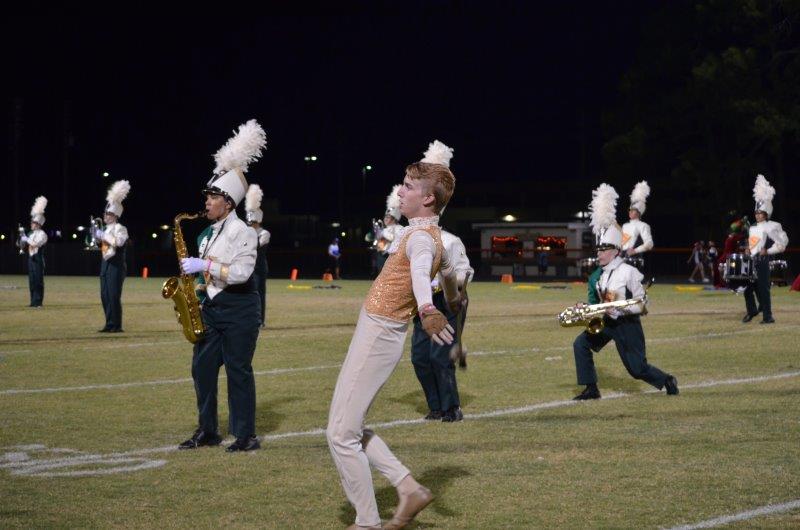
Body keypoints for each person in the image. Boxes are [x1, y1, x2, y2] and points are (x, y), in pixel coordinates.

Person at [327, 140, 461, 530]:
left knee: (340, 434)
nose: (399, 191)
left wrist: (428, 308)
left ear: (428, 198)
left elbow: (421, 274)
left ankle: (367, 522)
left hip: (380, 333)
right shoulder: (428, 234)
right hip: (377, 330)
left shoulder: (420, 238)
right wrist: (453, 297)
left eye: (408, 186)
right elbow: (447, 273)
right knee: (347, 426)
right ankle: (408, 488)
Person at [178, 119, 266, 452]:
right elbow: (210, 276)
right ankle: (208, 430)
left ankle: (245, 436)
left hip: (240, 308)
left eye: (212, 197)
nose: (207, 202)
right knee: (201, 368)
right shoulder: (208, 233)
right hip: (212, 308)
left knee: (238, 371)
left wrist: (205, 266)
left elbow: (241, 273)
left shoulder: (243, 232)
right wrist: (195, 287)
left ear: (228, 203)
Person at [572, 183, 678, 401]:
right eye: (598, 250)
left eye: (603, 250)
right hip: (607, 323)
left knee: (637, 369)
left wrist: (620, 309)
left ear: (614, 251)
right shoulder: (600, 277)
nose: (598, 254)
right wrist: (586, 309)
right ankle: (591, 389)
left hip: (627, 326)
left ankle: (667, 380)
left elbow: (643, 304)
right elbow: (602, 303)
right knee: (581, 343)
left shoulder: (629, 272)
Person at [411, 228, 472, 422]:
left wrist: (449, 284)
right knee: (420, 357)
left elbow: (464, 272)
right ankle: (435, 407)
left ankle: (452, 407)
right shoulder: (409, 240)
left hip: (448, 299)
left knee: (440, 356)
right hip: (423, 300)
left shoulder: (450, 240)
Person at [742, 174, 789, 324]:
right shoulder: (753, 227)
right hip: (752, 260)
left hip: (763, 261)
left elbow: (782, 243)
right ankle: (752, 311)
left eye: (760, 213)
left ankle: (768, 317)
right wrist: (748, 249)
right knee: (747, 287)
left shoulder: (773, 226)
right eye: (756, 213)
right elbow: (753, 243)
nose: (757, 215)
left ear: (766, 213)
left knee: (763, 289)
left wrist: (768, 251)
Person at [95, 181, 130, 332]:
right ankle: (109, 323)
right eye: (105, 213)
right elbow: (105, 247)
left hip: (116, 265)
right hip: (106, 264)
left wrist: (103, 236)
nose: (105, 216)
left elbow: (118, 242)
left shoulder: (121, 228)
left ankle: (116, 325)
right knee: (105, 295)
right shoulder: (105, 229)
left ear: (115, 216)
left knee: (114, 295)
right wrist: (97, 239)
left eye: (108, 214)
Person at [245, 183, 271, 329]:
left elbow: (256, 246)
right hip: (247, 267)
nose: (250, 224)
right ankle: (249, 318)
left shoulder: (264, 233)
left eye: (252, 222)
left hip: (259, 267)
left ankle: (260, 320)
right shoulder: (247, 232)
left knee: (259, 293)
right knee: (247, 294)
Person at [20, 196, 48, 307]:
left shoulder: (43, 234)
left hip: (38, 259)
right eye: (32, 223)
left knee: (38, 281)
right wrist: (20, 241)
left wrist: (26, 239)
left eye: (33, 223)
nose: (31, 224)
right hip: (31, 259)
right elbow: (26, 245)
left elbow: (36, 244)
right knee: (32, 281)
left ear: (38, 224)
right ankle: (32, 302)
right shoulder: (31, 234)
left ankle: (38, 302)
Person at [621, 181, 654, 266]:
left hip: (634, 260)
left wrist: (635, 251)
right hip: (621, 259)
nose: (630, 212)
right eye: (630, 210)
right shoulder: (625, 225)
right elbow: (622, 243)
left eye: (633, 210)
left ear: (639, 213)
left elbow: (649, 244)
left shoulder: (643, 225)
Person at [376, 184, 403, 272]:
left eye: (388, 217)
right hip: (381, 256)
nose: (385, 219)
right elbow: (381, 244)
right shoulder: (384, 229)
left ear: (394, 219)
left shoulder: (399, 228)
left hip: (392, 258)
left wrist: (383, 234)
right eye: (385, 217)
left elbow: (397, 241)